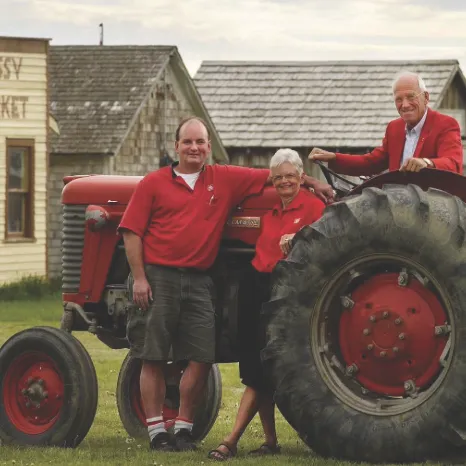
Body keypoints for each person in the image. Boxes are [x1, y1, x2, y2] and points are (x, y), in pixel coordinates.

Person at [117, 116, 334, 453]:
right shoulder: (153, 183)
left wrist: (311, 182)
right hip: (160, 276)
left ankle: (185, 429)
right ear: (177, 146)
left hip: (200, 278)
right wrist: (140, 278)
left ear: (208, 147)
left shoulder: (223, 177)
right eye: (187, 142)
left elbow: (277, 174)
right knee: (153, 354)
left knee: (203, 356)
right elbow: (131, 230)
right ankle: (158, 431)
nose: (194, 148)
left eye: (200, 142)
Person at [207, 148, 326, 461]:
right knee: (254, 368)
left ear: (302, 178)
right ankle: (270, 441)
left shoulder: (314, 208)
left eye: (291, 176)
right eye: (279, 177)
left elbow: (323, 241)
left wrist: (299, 235)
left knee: (263, 370)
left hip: (283, 293)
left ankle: (230, 440)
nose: (285, 182)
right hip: (255, 287)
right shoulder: (271, 209)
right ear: (273, 181)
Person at [309, 70, 463, 175]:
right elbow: (371, 162)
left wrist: (426, 163)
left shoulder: (446, 124)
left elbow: (453, 163)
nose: (405, 105)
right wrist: (335, 158)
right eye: (399, 100)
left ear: (426, 98)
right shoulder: (394, 128)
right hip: (396, 204)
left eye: (411, 97)